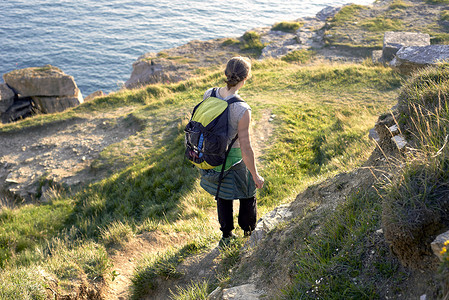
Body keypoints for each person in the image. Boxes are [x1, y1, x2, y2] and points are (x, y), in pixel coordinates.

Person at [199, 56, 264, 247]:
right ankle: (248, 233)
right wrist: (256, 175)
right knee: (248, 192)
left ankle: (226, 237)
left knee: (223, 195)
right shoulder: (242, 109)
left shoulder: (208, 94)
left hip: (212, 156)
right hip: (234, 160)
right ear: (245, 78)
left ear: (225, 73)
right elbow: (245, 148)